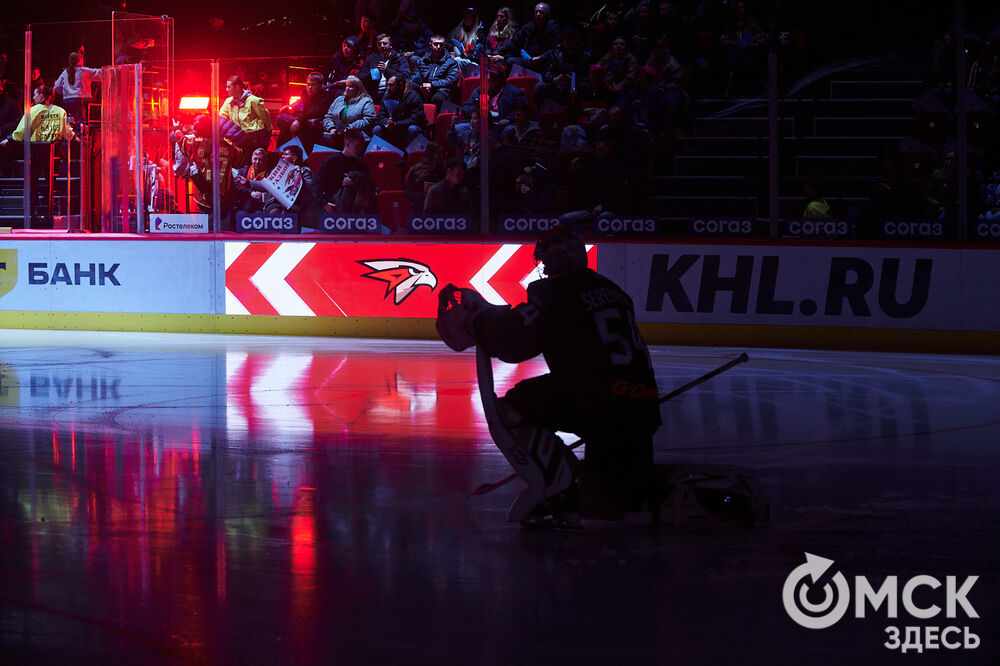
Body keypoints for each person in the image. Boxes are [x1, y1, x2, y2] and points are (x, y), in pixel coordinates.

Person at [436, 226, 661, 526]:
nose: (543, 267)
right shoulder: (611, 289)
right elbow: (526, 321)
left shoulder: (557, 291)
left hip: (599, 401)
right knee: (617, 495)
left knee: (511, 407)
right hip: (641, 406)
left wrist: (476, 321)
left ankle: (557, 488)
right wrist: (487, 313)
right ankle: (582, 482)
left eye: (545, 261)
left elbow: (514, 342)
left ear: (554, 261)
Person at [276, 71, 332, 150]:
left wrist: (299, 120)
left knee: (283, 121)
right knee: (282, 121)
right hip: (304, 122)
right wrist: (289, 109)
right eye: (308, 84)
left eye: (313, 85)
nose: (310, 87)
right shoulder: (304, 93)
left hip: (313, 124)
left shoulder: (325, 96)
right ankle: (280, 154)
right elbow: (299, 109)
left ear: (321, 86)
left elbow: (316, 112)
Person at [372, 74, 426, 149]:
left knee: (413, 129)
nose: (388, 88)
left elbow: (415, 119)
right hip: (392, 129)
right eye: (387, 85)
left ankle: (411, 157)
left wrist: (396, 124)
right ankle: (385, 156)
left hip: (406, 128)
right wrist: (387, 123)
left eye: (391, 85)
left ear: (400, 85)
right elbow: (381, 115)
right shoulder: (387, 96)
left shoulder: (414, 97)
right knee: (377, 129)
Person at [220, 75, 272, 151]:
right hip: (238, 138)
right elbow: (221, 117)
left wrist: (267, 135)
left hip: (255, 138)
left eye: (229, 87)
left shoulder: (254, 100)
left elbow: (266, 119)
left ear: (237, 87)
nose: (226, 89)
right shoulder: (228, 101)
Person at [52, 51, 102, 127]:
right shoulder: (84, 71)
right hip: (81, 100)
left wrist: (65, 92)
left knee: (69, 124)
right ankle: (80, 138)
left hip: (67, 101)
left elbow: (56, 87)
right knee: (80, 124)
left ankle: (70, 138)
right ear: (79, 61)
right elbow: (100, 73)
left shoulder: (65, 72)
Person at [323, 75, 376, 146]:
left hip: (355, 135)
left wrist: (351, 127)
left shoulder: (366, 101)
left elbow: (369, 119)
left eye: (351, 86)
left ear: (358, 88)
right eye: (347, 86)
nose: (347, 88)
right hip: (335, 134)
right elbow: (328, 117)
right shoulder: (339, 99)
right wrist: (331, 128)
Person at [412, 35, 461, 109]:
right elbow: (414, 78)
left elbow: (451, 80)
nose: (438, 47)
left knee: (438, 98)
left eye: (441, 44)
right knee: (411, 95)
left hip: (441, 90)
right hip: (424, 89)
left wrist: (432, 85)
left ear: (444, 45)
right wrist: (421, 87)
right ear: (430, 45)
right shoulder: (421, 61)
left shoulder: (451, 62)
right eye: (436, 44)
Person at [360, 34, 411, 103]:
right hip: (372, 92)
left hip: (392, 92)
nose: (382, 46)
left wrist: (387, 71)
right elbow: (361, 77)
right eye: (379, 44)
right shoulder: (371, 58)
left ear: (390, 45)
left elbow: (405, 76)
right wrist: (374, 73)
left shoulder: (399, 58)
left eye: (385, 43)